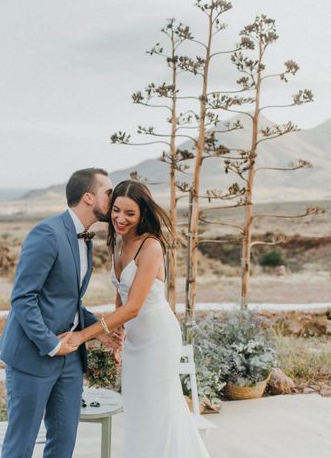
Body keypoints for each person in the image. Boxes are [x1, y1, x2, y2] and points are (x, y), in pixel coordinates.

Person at [67, 179, 211, 458]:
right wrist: (118, 337)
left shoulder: (151, 246)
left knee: (158, 408)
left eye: (130, 214)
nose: (121, 219)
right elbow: (121, 294)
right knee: (137, 409)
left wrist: (84, 335)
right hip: (135, 340)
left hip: (157, 337)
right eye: (117, 211)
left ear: (142, 214)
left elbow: (134, 306)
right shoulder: (117, 242)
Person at [0, 168, 122, 458]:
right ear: (89, 197)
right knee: (21, 444)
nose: (113, 198)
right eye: (108, 191)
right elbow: (23, 298)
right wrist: (52, 344)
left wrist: (100, 330)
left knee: (64, 441)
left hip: (70, 361)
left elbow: (68, 300)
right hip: (33, 355)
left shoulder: (85, 239)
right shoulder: (48, 233)